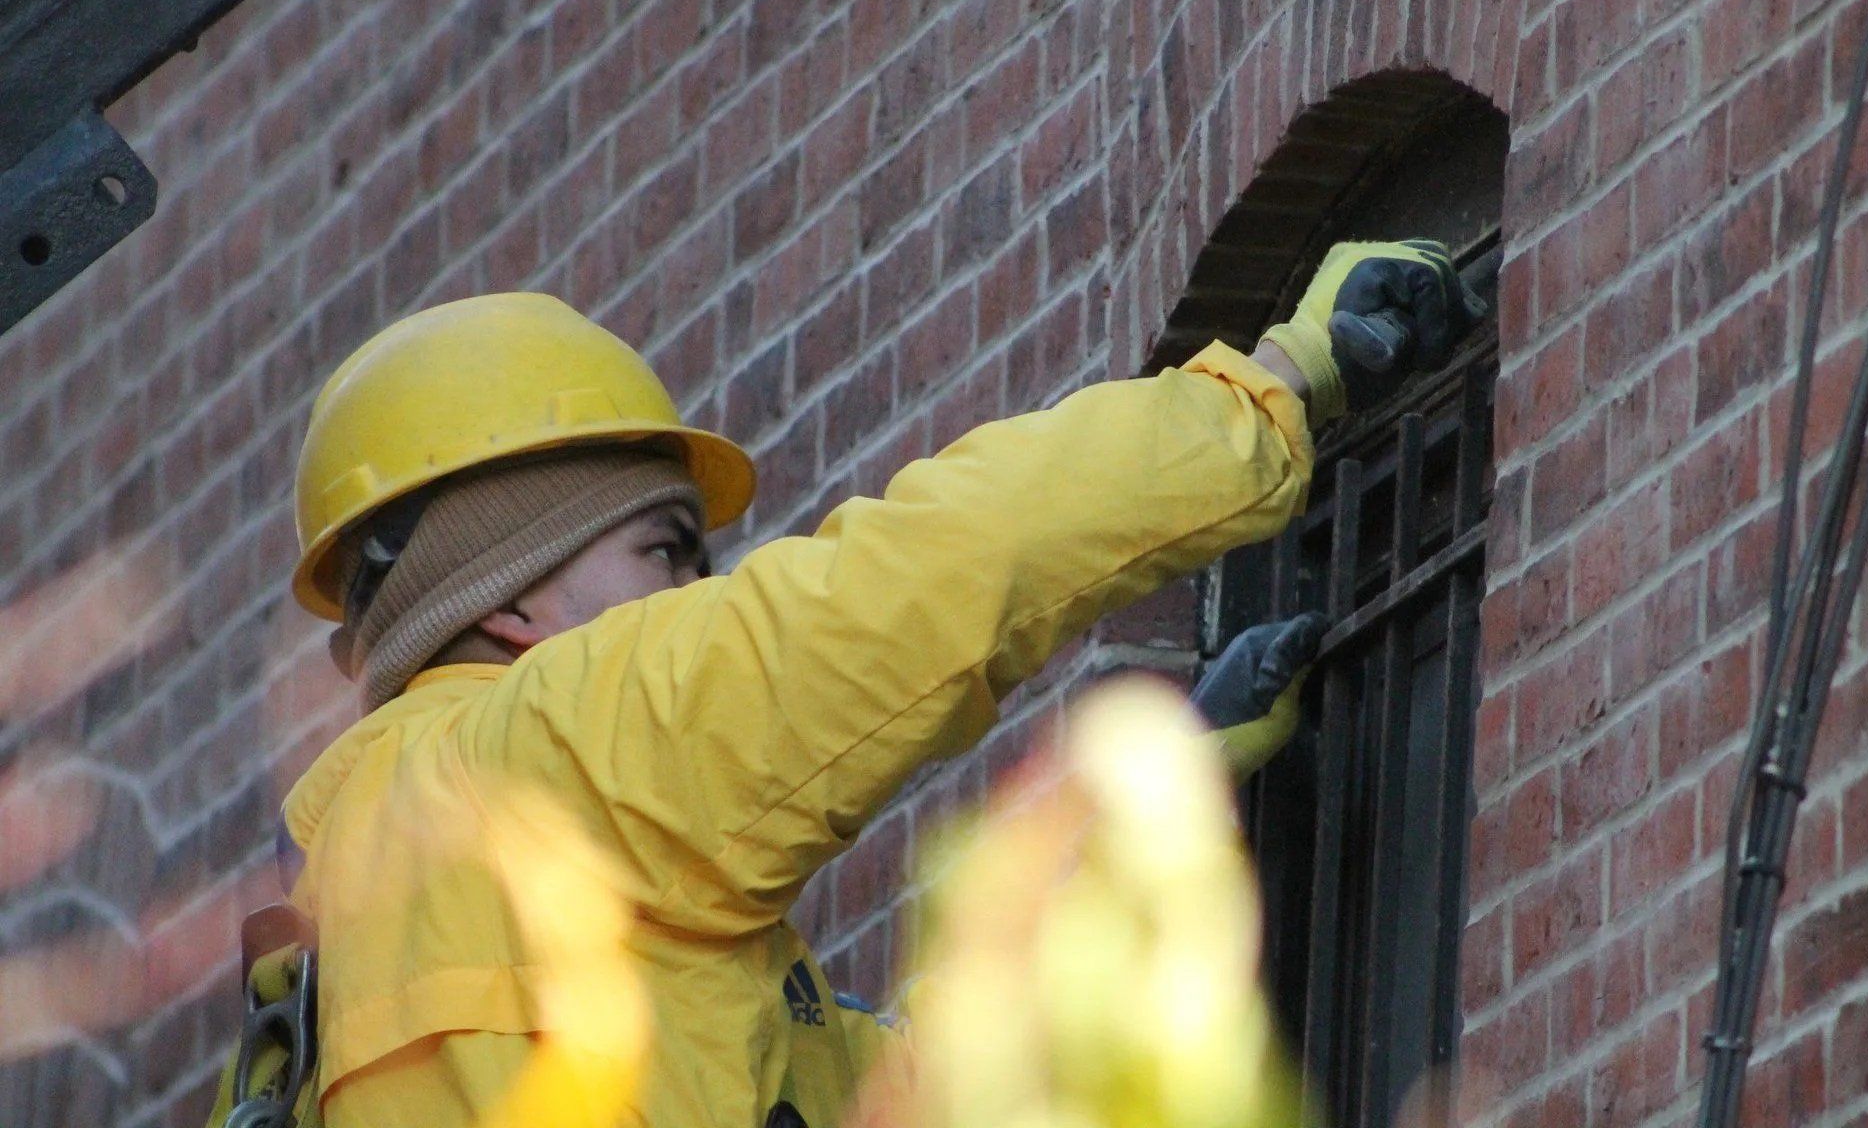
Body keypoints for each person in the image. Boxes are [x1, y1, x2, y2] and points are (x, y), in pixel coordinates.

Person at [210, 239, 1479, 1128]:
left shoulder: (335, 971)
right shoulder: (557, 750)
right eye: (665, 551)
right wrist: (1282, 386)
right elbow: (933, 573)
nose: (698, 595)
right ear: (510, 596)